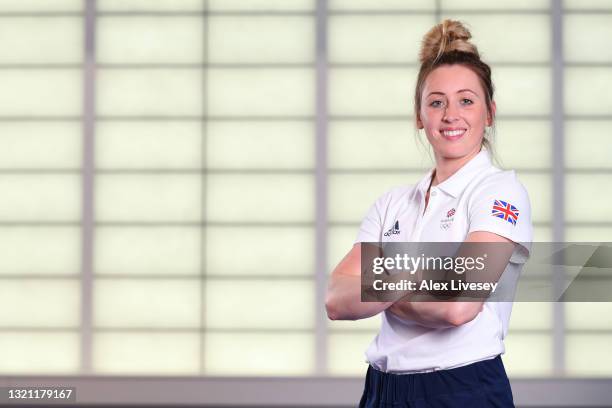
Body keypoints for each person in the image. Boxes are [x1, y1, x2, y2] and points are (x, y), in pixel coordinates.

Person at [325, 19, 533, 407]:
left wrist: (381, 280)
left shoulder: (500, 191)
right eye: (436, 102)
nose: (451, 114)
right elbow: (336, 299)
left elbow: (457, 306)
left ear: (489, 113)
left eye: (466, 100)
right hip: (382, 390)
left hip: (460, 388)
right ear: (419, 116)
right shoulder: (392, 203)